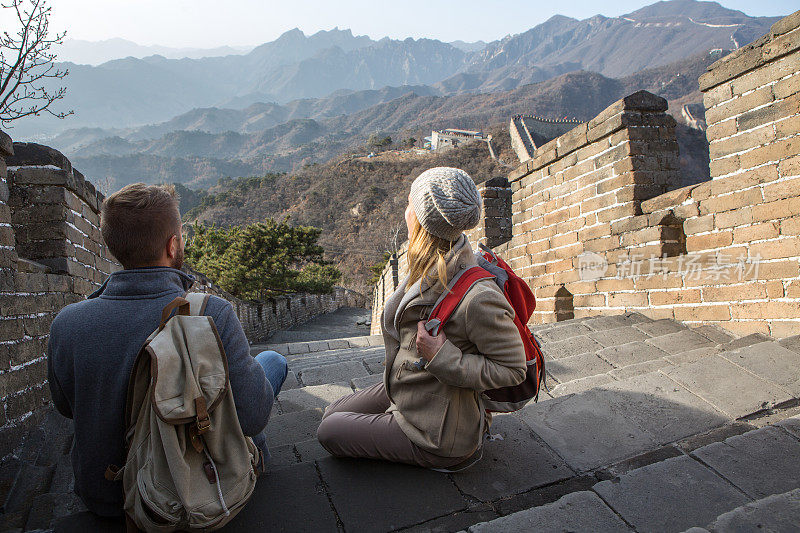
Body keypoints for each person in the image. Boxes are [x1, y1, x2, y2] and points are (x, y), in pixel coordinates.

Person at [47, 183, 287, 518]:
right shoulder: (211, 313)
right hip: (198, 493)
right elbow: (253, 416)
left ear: (113, 247)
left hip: (106, 496)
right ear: (172, 245)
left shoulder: (67, 323)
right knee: (272, 362)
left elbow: (65, 406)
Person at [317, 167, 526, 471]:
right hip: (413, 387)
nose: (405, 210)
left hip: (440, 432)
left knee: (329, 431)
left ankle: (438, 450)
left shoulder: (478, 296)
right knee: (330, 412)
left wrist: (443, 357)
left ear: (420, 218)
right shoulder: (429, 263)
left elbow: (513, 369)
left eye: (410, 203)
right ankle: (395, 410)